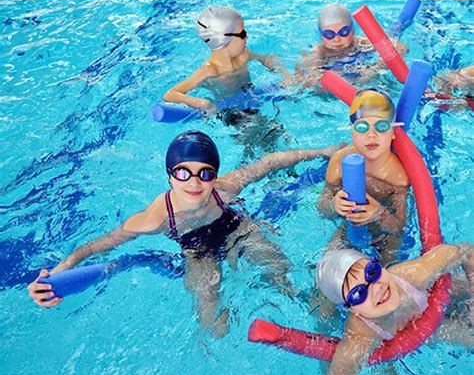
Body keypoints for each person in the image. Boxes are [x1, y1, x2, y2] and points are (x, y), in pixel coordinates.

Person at [28, 130, 340, 338]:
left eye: (205, 173)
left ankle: (303, 308)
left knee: (280, 268)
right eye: (183, 172)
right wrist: (66, 266)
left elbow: (270, 162)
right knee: (211, 321)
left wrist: (323, 151)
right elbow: (105, 242)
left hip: (236, 229)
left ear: (214, 175)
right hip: (196, 250)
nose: (194, 182)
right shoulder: (156, 218)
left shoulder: (225, 189)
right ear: (169, 176)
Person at [315, 244, 474, 375]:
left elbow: (466, 251)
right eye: (359, 293)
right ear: (352, 310)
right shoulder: (361, 339)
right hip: (426, 330)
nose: (377, 288)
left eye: (372, 272)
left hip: (431, 297)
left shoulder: (413, 275)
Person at [163, 5, 291, 159]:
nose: (247, 37)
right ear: (225, 39)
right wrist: (199, 102)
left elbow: (266, 59)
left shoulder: (244, 56)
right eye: (243, 33)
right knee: (253, 141)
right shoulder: (210, 71)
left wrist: (282, 73)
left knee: (278, 133)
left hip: (252, 102)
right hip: (230, 113)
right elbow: (170, 94)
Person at [317, 88, 409, 266]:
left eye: (381, 126)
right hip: (349, 227)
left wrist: (379, 214)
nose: (371, 135)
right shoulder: (338, 162)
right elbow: (322, 208)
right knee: (328, 266)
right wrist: (333, 204)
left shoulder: (398, 177)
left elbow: (399, 228)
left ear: (393, 133)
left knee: (386, 275)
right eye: (362, 127)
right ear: (352, 132)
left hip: (385, 236)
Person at [295, 4, 407, 89]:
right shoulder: (318, 54)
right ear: (321, 34)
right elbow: (312, 83)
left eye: (343, 32)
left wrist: (378, 66)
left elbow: (401, 47)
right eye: (329, 34)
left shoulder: (360, 43)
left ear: (352, 30)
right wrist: (359, 79)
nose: (337, 39)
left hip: (366, 82)